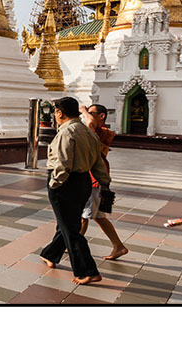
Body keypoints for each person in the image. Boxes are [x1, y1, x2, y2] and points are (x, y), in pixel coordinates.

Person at [39, 96, 110, 285]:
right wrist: (105, 183)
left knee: (71, 229)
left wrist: (55, 183)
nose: (55, 115)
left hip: (66, 184)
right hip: (84, 181)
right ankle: (50, 254)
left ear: (60, 113)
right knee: (67, 222)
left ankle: (88, 270)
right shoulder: (89, 133)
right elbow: (98, 163)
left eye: (55, 112)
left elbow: (63, 164)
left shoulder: (66, 133)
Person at [78, 103, 128, 260]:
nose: (88, 116)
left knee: (83, 216)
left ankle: (71, 244)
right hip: (92, 175)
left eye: (92, 113)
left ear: (102, 116)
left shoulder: (103, 132)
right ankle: (118, 246)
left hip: (95, 178)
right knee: (98, 216)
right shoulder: (96, 131)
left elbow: (91, 123)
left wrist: (83, 110)